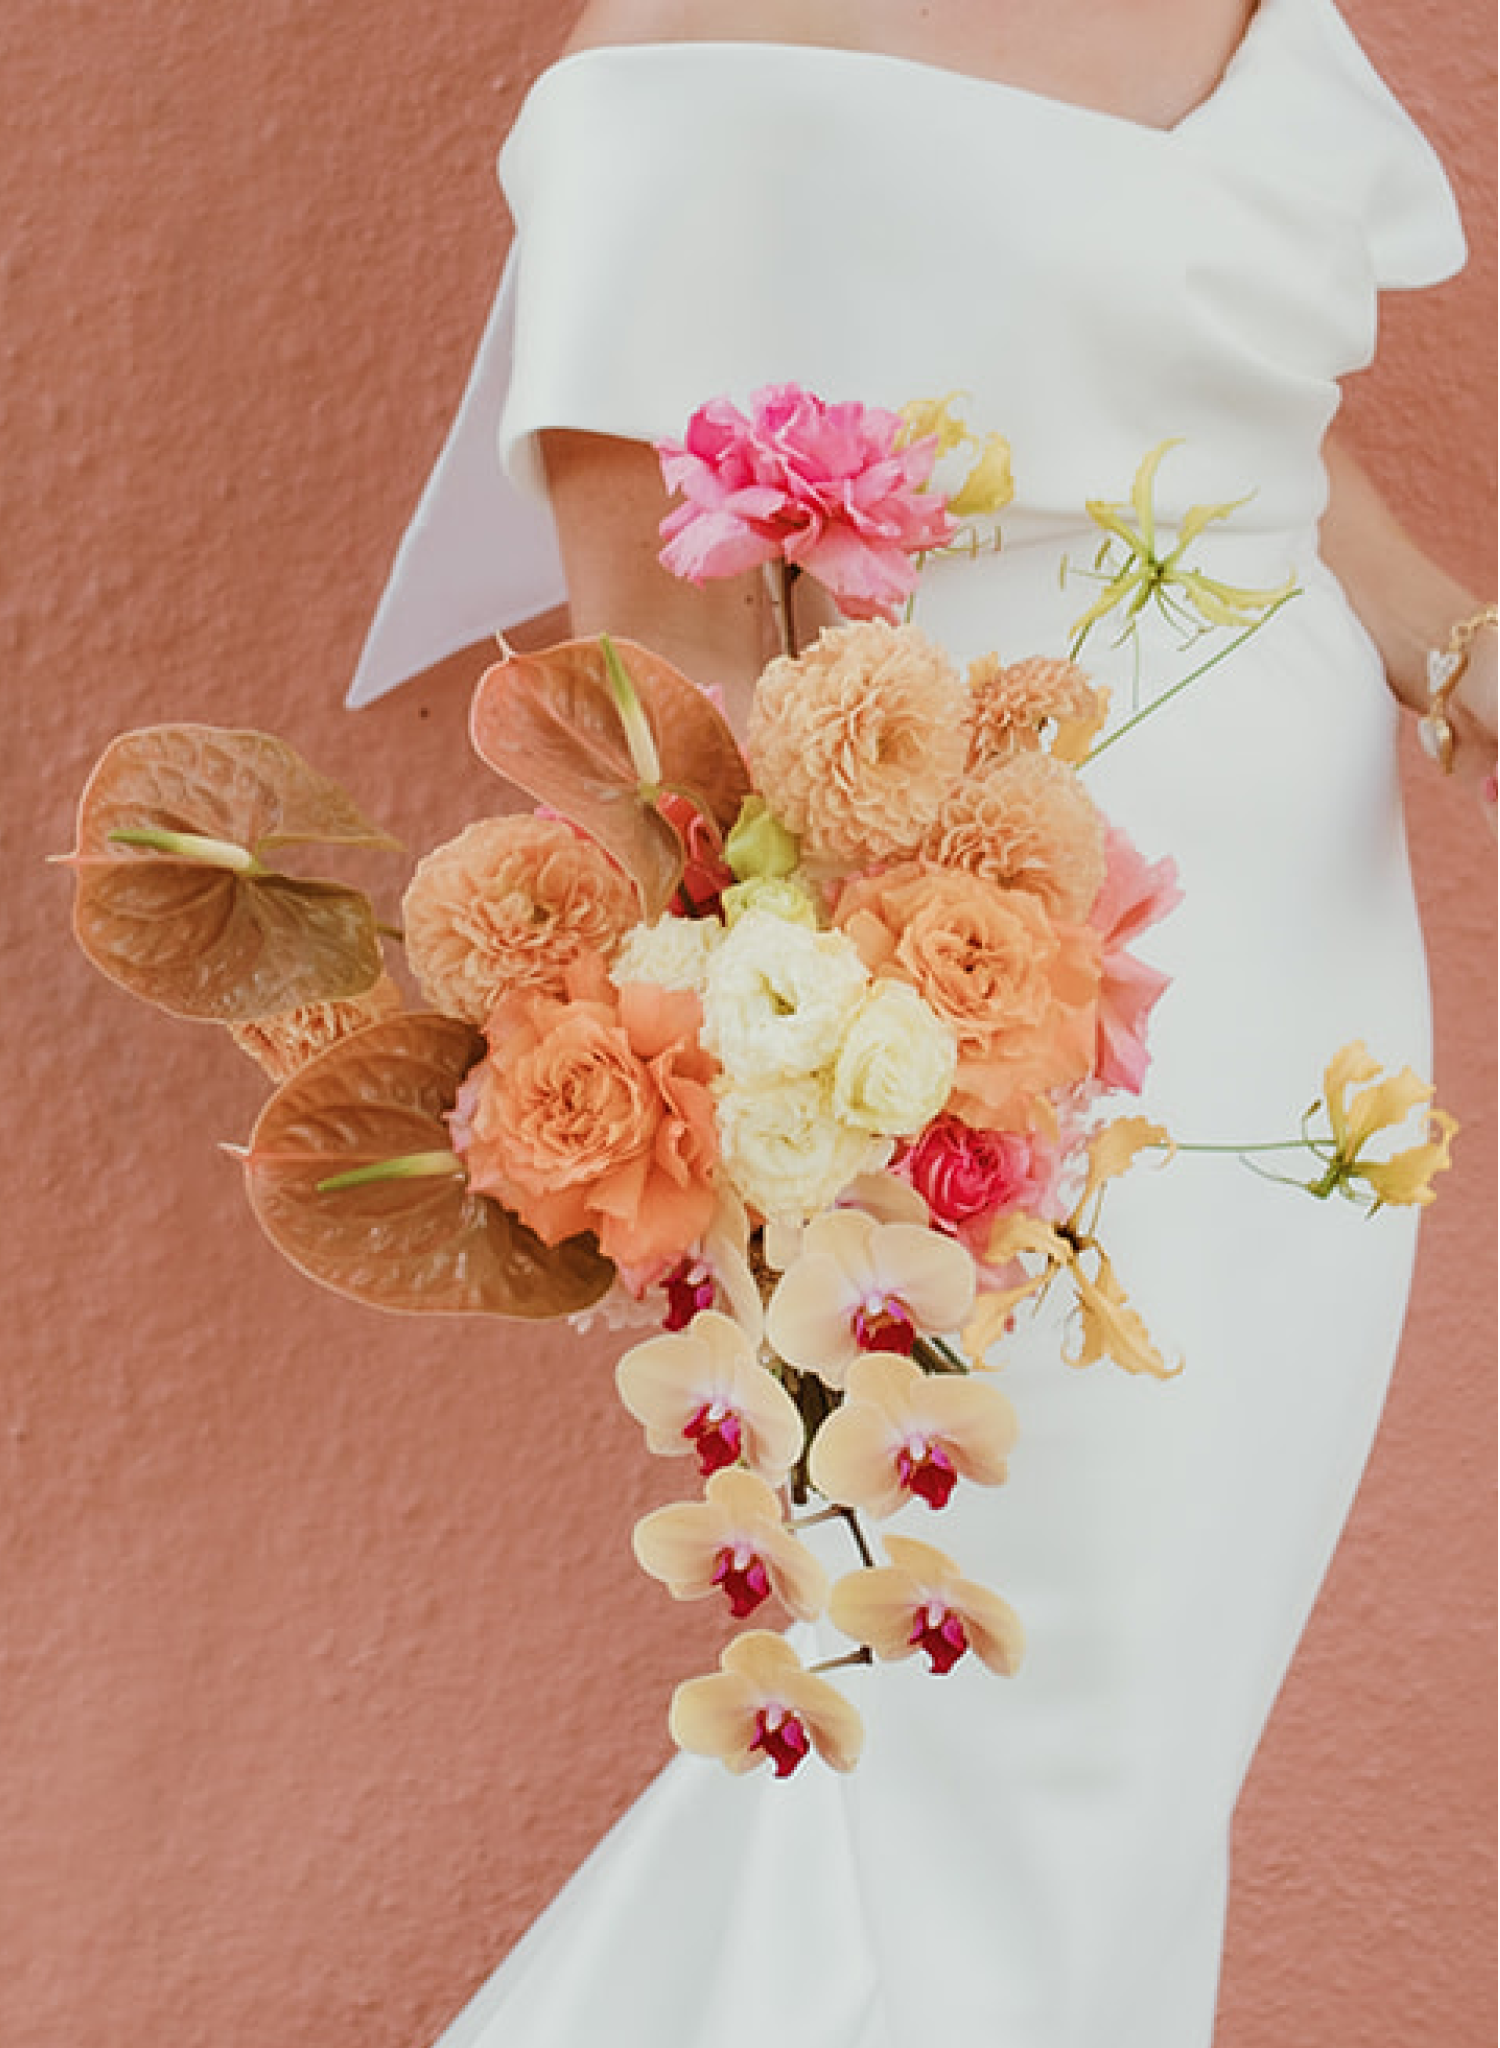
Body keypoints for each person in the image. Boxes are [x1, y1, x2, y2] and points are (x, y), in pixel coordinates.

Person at [352, 3, 1494, 2043]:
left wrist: (1454, 644)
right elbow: (660, 673)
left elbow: (1241, 408)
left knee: (1140, 1757)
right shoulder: (687, 51)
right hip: (957, 1014)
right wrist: (785, 1074)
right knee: (992, 1735)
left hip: (1301, 998)